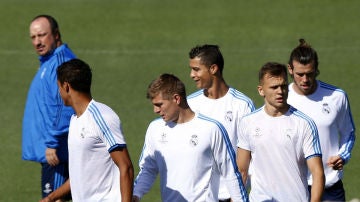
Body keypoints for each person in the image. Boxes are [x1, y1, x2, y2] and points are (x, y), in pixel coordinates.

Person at [133, 73, 249, 202]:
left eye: (159, 104)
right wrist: (136, 194)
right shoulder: (155, 128)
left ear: (176, 99)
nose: (155, 110)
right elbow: (148, 168)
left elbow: (231, 173)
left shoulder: (211, 128)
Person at [40, 58, 134, 202]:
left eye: (58, 87)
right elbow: (80, 175)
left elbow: (125, 166)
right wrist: (51, 197)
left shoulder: (102, 116)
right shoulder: (75, 121)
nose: (58, 93)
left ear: (66, 87)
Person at [236, 62, 325, 202]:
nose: (280, 91)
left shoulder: (304, 123)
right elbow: (241, 171)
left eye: (283, 86)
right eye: (274, 87)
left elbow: (318, 173)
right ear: (261, 90)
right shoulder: (247, 122)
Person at [287, 39, 356, 201]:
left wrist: (343, 155)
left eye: (309, 74)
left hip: (329, 187)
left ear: (317, 70)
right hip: (294, 186)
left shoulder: (337, 97)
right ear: (290, 69)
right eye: (300, 74)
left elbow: (349, 132)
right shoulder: (282, 97)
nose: (305, 80)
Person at [187, 44, 255, 201]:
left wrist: (235, 197)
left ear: (213, 69)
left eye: (196, 69)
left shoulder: (242, 105)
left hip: (230, 195)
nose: (191, 74)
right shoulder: (190, 104)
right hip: (198, 196)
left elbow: (248, 156)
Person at [22, 14, 76, 201]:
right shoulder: (49, 61)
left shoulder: (60, 62)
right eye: (33, 37)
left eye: (42, 35)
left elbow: (66, 105)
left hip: (56, 154)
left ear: (56, 34)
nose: (37, 42)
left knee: (54, 199)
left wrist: (53, 142)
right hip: (51, 153)